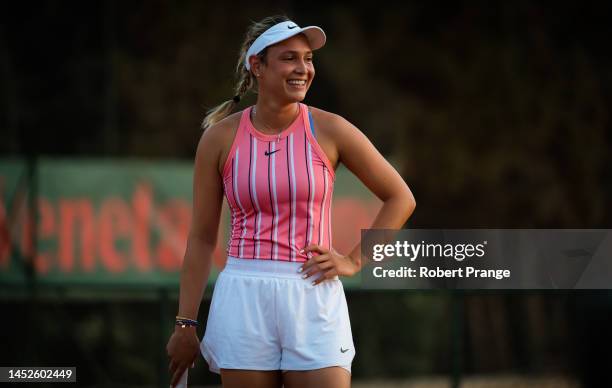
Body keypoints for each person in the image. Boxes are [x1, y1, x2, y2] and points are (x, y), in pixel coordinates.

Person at [166, 15, 416, 388]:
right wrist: (186, 324)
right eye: (289, 58)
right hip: (243, 294)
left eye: (308, 58)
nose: (303, 68)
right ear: (257, 66)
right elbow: (202, 238)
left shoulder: (331, 128)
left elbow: (401, 198)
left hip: (312, 293)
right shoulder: (218, 139)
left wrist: (353, 260)